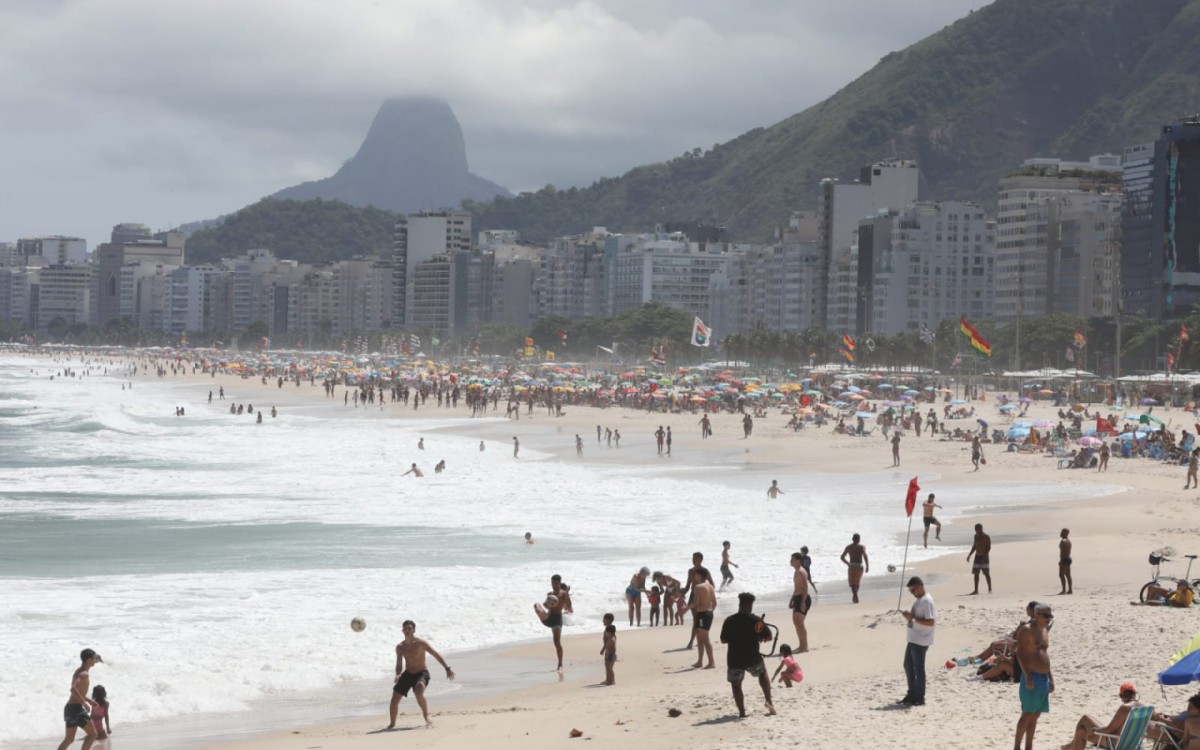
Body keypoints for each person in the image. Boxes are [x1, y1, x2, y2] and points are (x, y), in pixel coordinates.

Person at [387, 620, 454, 728]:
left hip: (422, 673)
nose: (407, 630)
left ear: (414, 630)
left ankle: (426, 716)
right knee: (394, 700)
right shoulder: (400, 647)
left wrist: (447, 668)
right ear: (402, 630)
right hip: (408, 674)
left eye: (410, 628)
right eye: (405, 628)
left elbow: (435, 654)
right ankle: (392, 724)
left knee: (419, 691)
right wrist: (398, 674)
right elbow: (399, 664)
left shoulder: (421, 643)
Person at [718, 592, 776, 718]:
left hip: (734, 659)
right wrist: (759, 637)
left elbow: (723, 640)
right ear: (751, 605)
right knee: (762, 673)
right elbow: (769, 636)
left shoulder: (730, 620)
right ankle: (768, 700)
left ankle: (742, 713)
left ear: (739, 604)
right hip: (752, 657)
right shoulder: (756, 621)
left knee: (736, 684)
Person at [1012, 603, 1053, 750]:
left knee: (1036, 714)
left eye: (1051, 616)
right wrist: (1027, 674)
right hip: (1032, 676)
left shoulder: (1045, 631)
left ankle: (1029, 746)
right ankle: (1017, 747)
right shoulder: (1026, 630)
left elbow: (1045, 655)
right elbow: (1019, 653)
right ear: (1036, 615)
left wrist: (1051, 678)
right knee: (1027, 714)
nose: (1049, 619)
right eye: (1046, 615)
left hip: (1043, 678)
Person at [1060, 683, 1146, 750]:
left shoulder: (1125, 708)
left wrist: (1093, 730)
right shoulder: (1145, 708)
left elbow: (1108, 730)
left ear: (1121, 696)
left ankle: (1072, 745)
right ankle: (1072, 745)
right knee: (1082, 732)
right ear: (1135, 693)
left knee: (1085, 718)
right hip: (1135, 744)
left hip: (1116, 743)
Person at [898, 577, 935, 707]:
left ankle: (920, 697)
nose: (912, 593)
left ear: (920, 586)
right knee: (908, 665)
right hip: (913, 638)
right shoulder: (919, 600)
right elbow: (917, 619)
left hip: (921, 640)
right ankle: (912, 694)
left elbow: (931, 622)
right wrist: (909, 617)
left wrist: (912, 617)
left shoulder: (927, 601)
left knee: (918, 669)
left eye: (913, 590)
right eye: (910, 591)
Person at [57, 648, 101, 750]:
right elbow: (73, 689)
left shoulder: (79, 671)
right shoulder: (83, 674)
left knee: (69, 739)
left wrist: (89, 701)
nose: (95, 660)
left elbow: (78, 692)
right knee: (93, 734)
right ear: (89, 659)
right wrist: (84, 703)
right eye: (94, 658)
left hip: (70, 709)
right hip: (76, 709)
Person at [533, 575, 573, 670]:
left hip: (557, 620)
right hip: (548, 617)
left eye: (556, 583)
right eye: (552, 583)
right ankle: (542, 615)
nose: (554, 585)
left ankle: (560, 664)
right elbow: (546, 606)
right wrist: (547, 604)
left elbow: (569, 606)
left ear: (559, 583)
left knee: (556, 642)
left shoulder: (563, 594)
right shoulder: (549, 593)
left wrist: (566, 597)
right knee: (536, 605)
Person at [691, 576, 717, 669]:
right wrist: (709, 612)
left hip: (703, 614)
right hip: (705, 614)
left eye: (696, 575)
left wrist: (685, 608)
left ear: (700, 575)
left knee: (705, 639)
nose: (695, 577)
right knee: (699, 639)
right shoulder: (711, 586)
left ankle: (711, 662)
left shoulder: (698, 587)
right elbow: (714, 603)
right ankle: (700, 661)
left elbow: (695, 602)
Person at [789, 551, 811, 653]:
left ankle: (805, 646)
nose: (791, 561)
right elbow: (796, 587)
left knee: (800, 623)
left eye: (793, 559)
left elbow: (806, 587)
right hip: (797, 598)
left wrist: (803, 602)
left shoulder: (801, 571)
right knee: (796, 623)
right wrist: (792, 599)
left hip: (803, 598)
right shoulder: (796, 571)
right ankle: (801, 645)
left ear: (798, 561)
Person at [840, 533, 869, 604]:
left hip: (852, 566)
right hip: (859, 566)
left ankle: (855, 596)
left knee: (852, 584)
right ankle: (855, 596)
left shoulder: (849, 547)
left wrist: (848, 563)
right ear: (859, 539)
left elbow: (842, 557)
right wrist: (867, 565)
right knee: (857, 583)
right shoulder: (862, 547)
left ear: (852, 539)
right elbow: (865, 555)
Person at [967, 523, 993, 594]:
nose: (976, 531)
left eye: (978, 529)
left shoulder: (986, 537)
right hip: (977, 557)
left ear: (981, 528)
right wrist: (969, 555)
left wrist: (984, 557)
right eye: (975, 529)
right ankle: (976, 590)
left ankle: (990, 589)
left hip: (984, 557)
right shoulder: (976, 536)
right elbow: (974, 546)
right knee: (976, 574)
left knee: (986, 574)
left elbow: (988, 548)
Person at [1058, 528, 1073, 595]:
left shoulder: (1063, 541)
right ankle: (1070, 590)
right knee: (1068, 575)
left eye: (1062, 532)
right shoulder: (1069, 541)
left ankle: (1064, 590)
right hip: (1069, 558)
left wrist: (1061, 560)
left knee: (1061, 575)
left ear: (1065, 533)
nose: (1060, 533)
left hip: (1064, 559)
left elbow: (1063, 552)